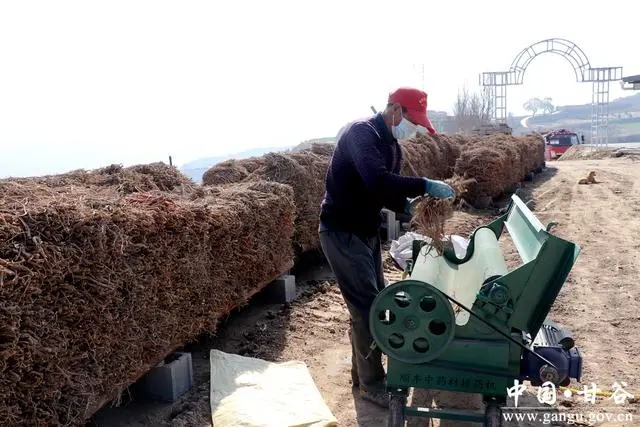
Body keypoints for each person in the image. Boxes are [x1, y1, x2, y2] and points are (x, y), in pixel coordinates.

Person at [318, 87, 455, 408]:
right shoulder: (360, 134)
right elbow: (376, 180)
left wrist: (410, 205)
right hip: (340, 232)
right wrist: (424, 184)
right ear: (395, 109)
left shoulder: (392, 147)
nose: (414, 128)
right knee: (367, 311)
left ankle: (360, 375)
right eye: (412, 119)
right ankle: (371, 383)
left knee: (376, 304)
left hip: (365, 233)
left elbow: (384, 193)